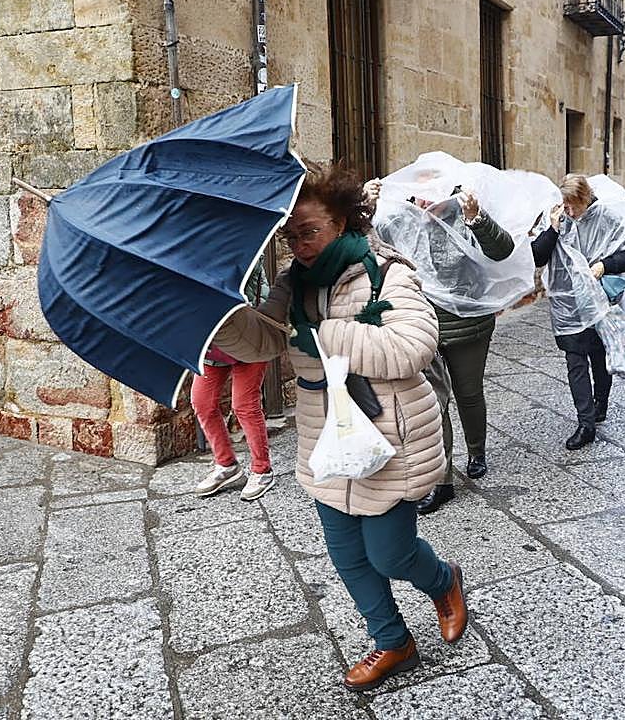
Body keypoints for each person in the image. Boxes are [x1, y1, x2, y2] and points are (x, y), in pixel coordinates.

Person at [213, 161, 466, 692]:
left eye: (311, 231)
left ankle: (444, 582)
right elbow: (265, 341)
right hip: (325, 440)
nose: (300, 245)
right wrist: (224, 319)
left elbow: (412, 347)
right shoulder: (292, 284)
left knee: (390, 553)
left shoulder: (386, 271)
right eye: (291, 235)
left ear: (346, 222)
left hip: (390, 437)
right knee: (348, 556)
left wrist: (325, 335)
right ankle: (393, 640)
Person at [364, 178, 515, 515]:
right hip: (421, 326)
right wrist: (365, 209)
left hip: (469, 325)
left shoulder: (465, 215)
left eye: (429, 198)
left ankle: (477, 451)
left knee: (469, 393)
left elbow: (502, 250)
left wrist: (478, 218)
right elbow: (369, 248)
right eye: (416, 197)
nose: (422, 204)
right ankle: (442, 480)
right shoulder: (400, 221)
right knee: (434, 402)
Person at [532, 174, 625, 450]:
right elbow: (537, 256)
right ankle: (586, 424)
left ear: (586, 198)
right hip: (566, 304)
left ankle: (601, 404)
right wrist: (552, 229)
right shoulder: (557, 218)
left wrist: (605, 265)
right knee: (575, 362)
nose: (569, 211)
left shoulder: (607, 217)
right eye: (565, 205)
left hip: (600, 302)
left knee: (598, 356)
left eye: (574, 206)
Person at [190, 258, 274, 499]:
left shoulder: (239, 250)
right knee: (202, 402)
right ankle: (227, 465)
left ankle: (262, 469)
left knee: (244, 405)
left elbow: (242, 292)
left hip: (250, 336)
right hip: (212, 343)